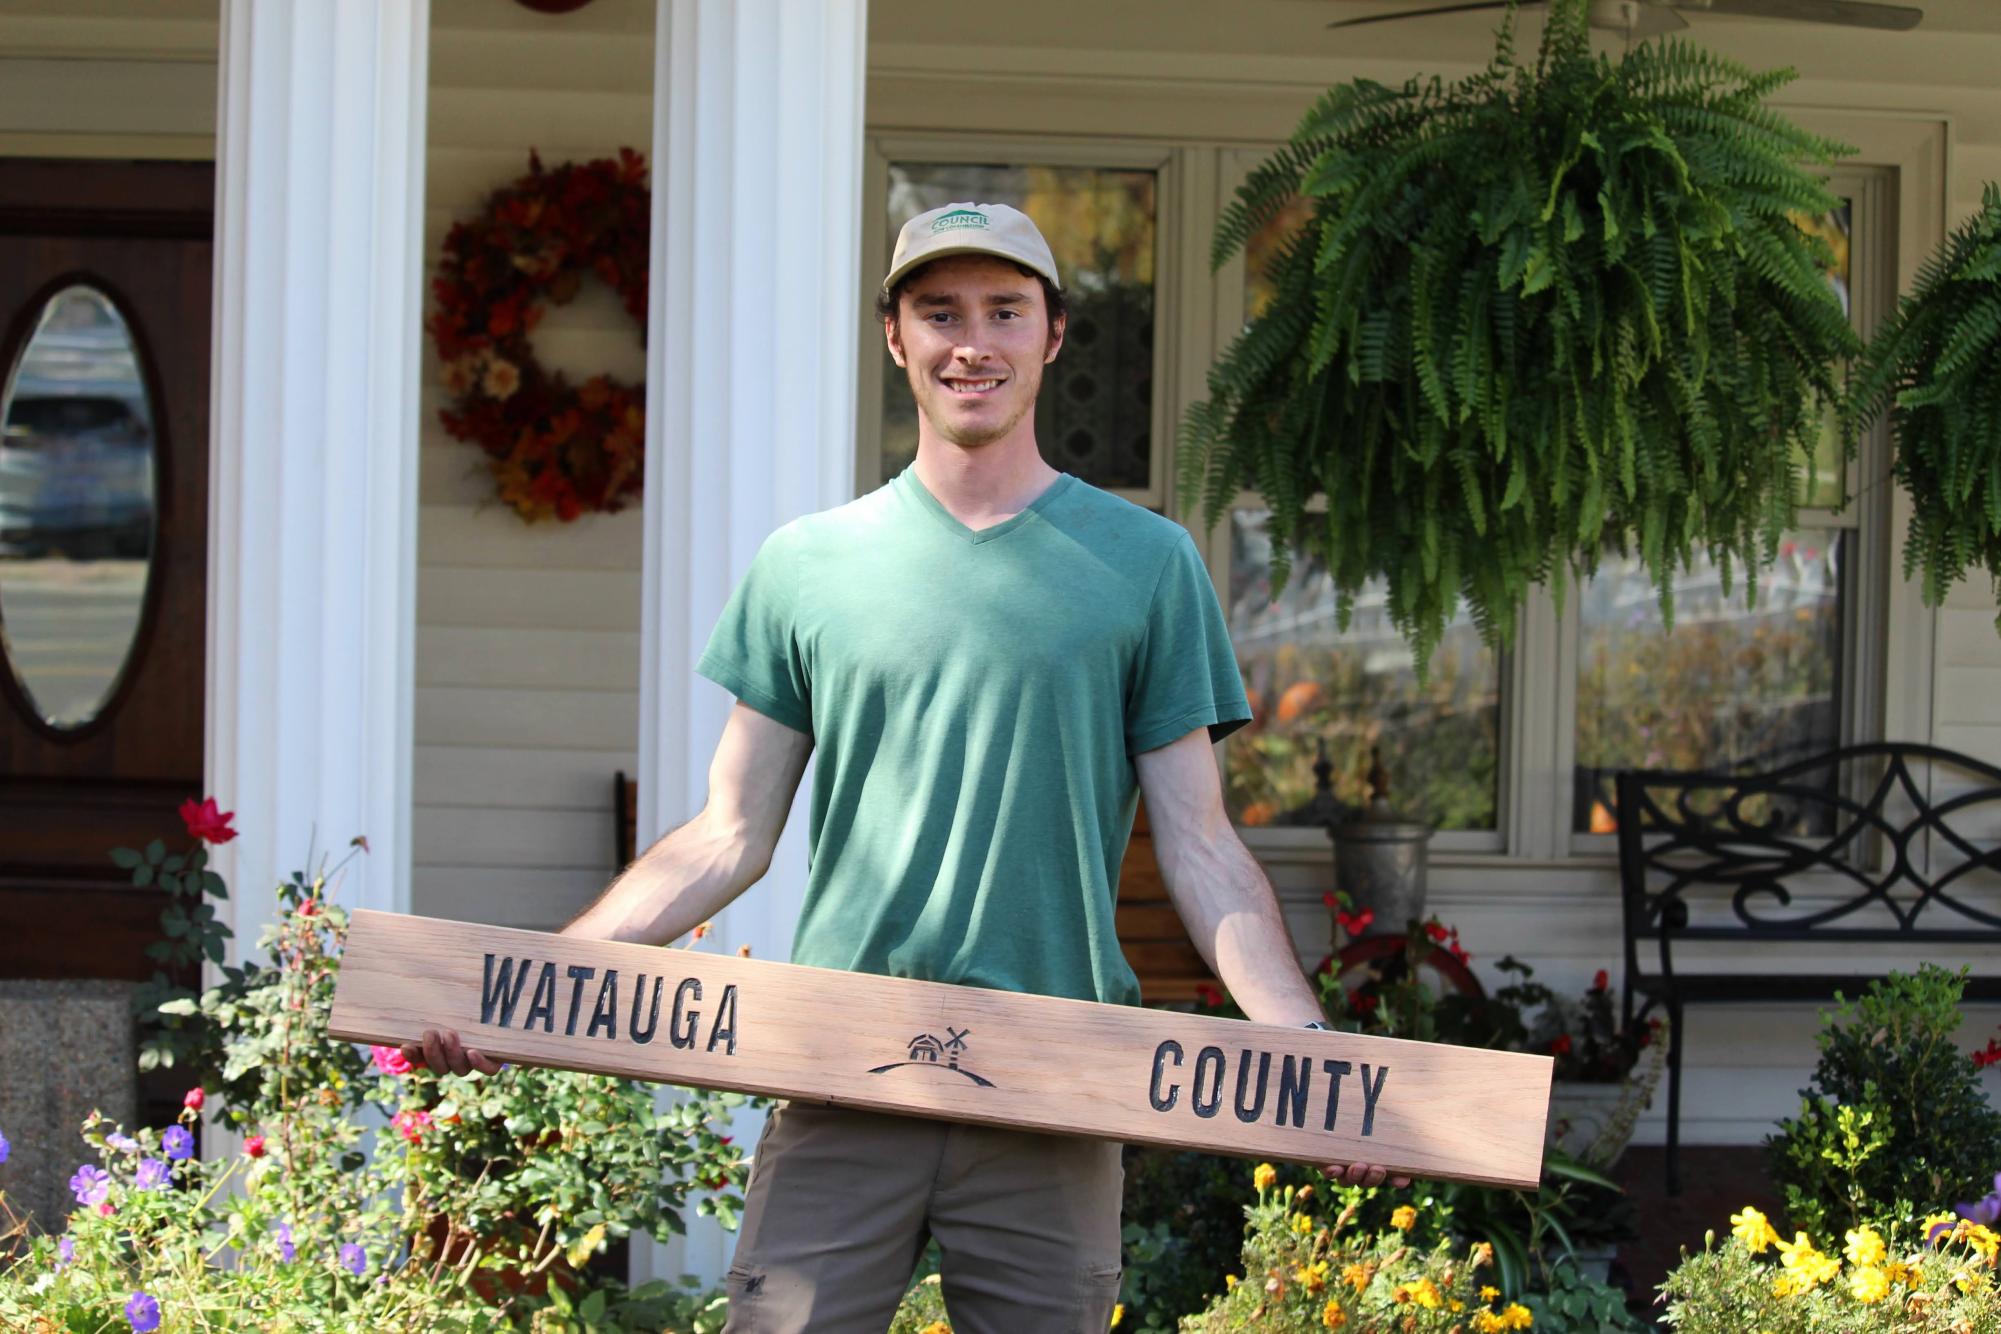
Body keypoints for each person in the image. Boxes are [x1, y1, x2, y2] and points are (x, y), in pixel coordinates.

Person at [404, 201, 1406, 1332]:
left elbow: (1200, 841)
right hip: (844, 1076)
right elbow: (726, 832)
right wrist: (532, 987)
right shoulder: (808, 565)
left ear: (1053, 336)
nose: (971, 341)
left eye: (1003, 311)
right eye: (940, 312)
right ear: (895, 337)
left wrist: (1303, 1052)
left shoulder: (1147, 564)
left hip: (1055, 1086)